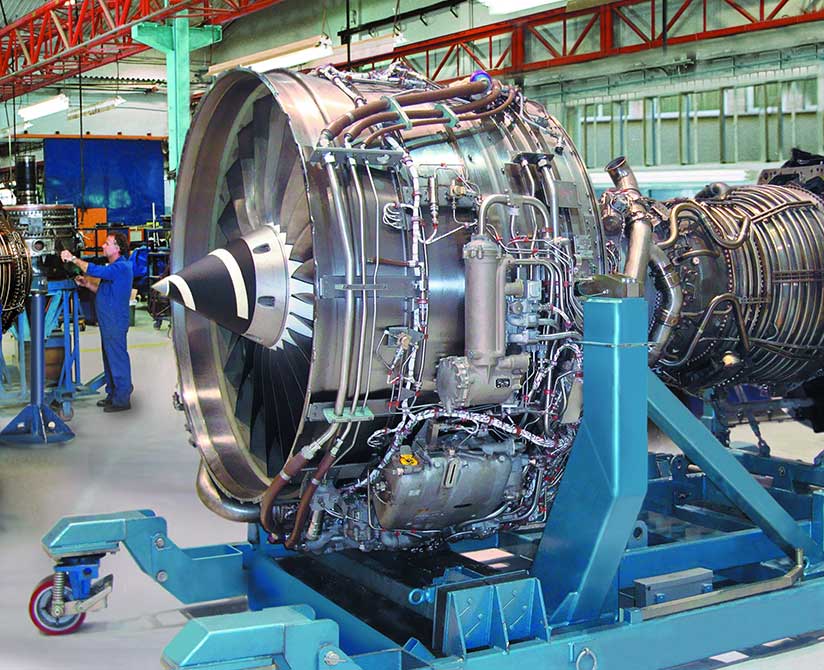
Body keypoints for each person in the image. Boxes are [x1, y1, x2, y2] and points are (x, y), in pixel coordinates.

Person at [61, 232, 134, 412]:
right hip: (108, 321)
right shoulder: (115, 268)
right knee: (109, 359)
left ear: (117, 248)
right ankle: (112, 394)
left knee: (117, 359)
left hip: (115, 321)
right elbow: (104, 292)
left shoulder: (121, 267)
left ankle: (122, 399)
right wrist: (87, 284)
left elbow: (95, 270)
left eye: (107, 243)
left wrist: (73, 259)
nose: (102, 246)